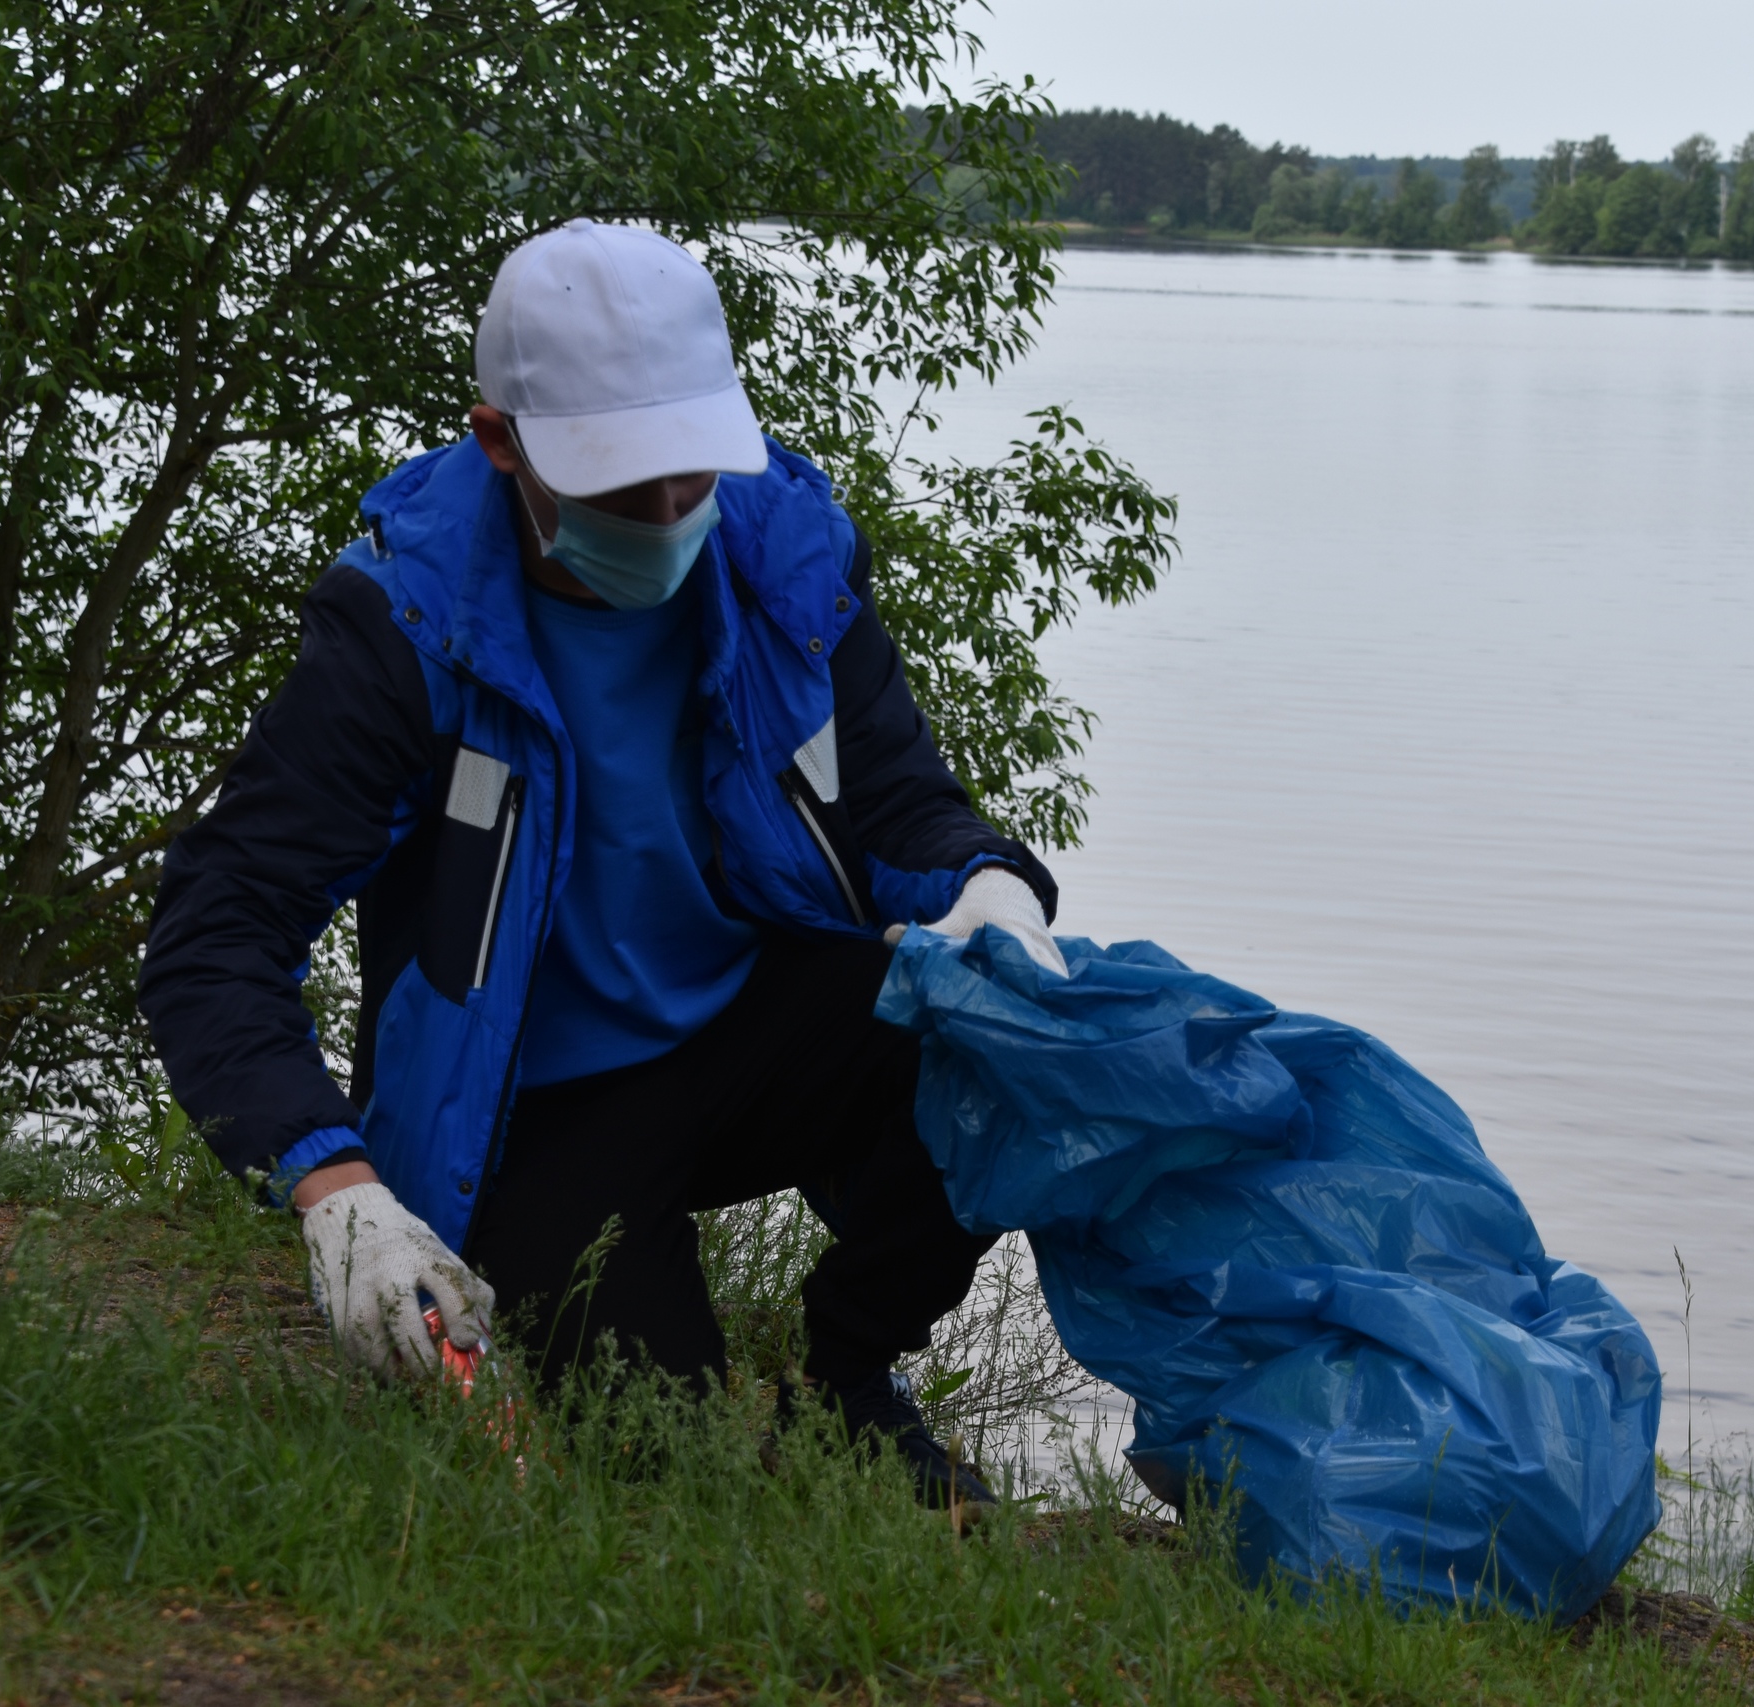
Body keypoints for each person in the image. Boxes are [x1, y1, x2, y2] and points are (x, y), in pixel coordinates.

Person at [138, 219, 1068, 1509]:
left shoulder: (788, 558)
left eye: (693, 471)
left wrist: (989, 887)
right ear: (500, 442)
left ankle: (845, 1379)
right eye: (626, 488)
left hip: (750, 1019)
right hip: (532, 1104)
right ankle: (644, 1344)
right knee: (670, 1468)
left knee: (1006, 1039)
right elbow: (218, 930)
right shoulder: (402, 625)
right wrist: (334, 1189)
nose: (674, 516)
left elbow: (900, 802)